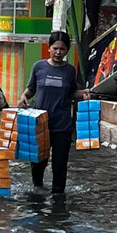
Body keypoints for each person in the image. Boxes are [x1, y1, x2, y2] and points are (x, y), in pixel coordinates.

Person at [19, 31, 90, 194]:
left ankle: (58, 198)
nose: (58, 52)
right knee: (38, 162)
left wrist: (83, 93)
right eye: (55, 48)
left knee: (59, 164)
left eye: (62, 49)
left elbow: (72, 92)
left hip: (62, 125)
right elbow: (31, 89)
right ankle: (37, 190)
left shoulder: (70, 71)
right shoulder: (39, 67)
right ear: (49, 48)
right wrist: (23, 96)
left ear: (67, 50)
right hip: (40, 124)